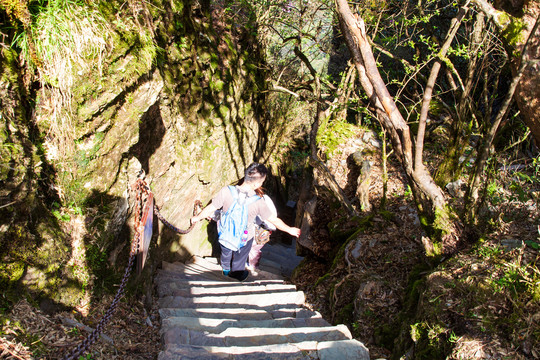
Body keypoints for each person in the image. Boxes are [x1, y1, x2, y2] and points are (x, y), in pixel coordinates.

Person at [190, 163, 273, 281]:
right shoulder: (259, 201)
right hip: (245, 237)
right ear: (256, 183)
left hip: (226, 233)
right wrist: (289, 229)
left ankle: (225, 271)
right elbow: (272, 220)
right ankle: (237, 274)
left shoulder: (226, 191)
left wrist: (197, 218)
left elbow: (211, 208)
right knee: (240, 257)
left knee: (226, 253)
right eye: (261, 182)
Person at [247, 189, 300, 276]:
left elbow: (273, 219)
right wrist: (289, 229)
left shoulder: (251, 200)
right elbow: (273, 220)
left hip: (259, 229)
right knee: (254, 249)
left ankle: (246, 264)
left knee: (252, 248)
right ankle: (252, 266)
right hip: (263, 230)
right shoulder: (264, 198)